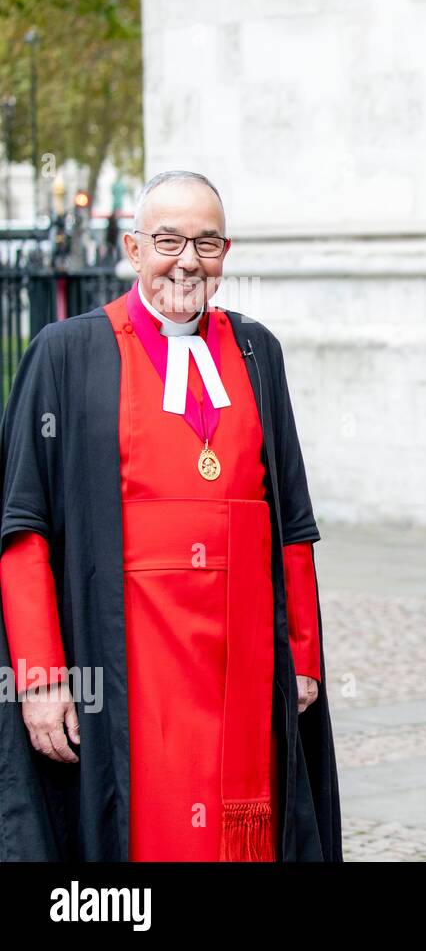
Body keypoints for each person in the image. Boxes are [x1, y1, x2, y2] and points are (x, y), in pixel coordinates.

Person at [0, 170, 341, 861]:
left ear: (225, 252)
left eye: (206, 243)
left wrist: (302, 657)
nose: (187, 260)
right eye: (168, 240)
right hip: (128, 659)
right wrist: (39, 678)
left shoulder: (256, 352)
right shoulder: (67, 353)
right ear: (132, 248)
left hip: (240, 661)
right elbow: (23, 531)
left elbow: (291, 527)